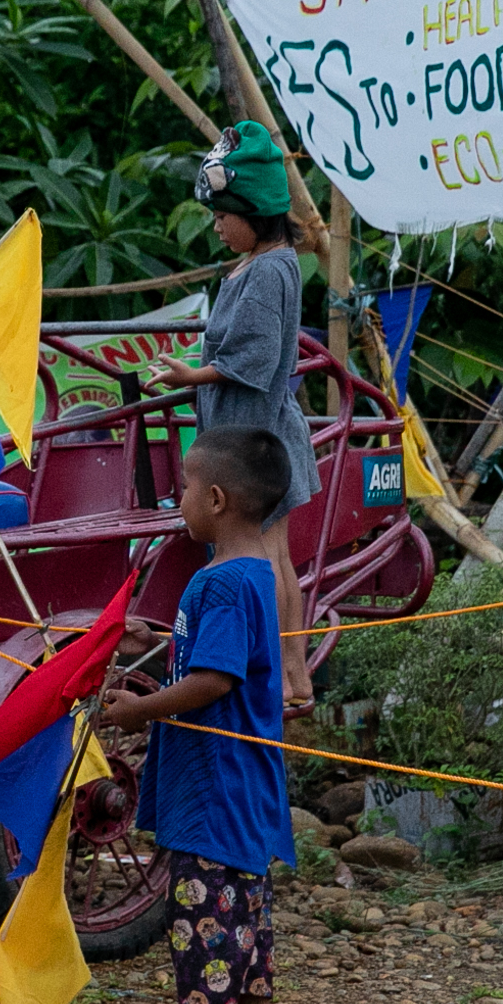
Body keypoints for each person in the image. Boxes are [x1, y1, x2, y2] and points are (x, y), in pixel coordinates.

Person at [100, 425, 298, 1004]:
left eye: (185, 484)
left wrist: (136, 710)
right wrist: (155, 638)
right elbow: (215, 652)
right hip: (242, 779)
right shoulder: (249, 575)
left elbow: (214, 680)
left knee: (205, 906)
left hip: (215, 781)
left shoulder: (223, 583)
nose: (178, 496)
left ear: (216, 499)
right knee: (244, 899)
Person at [151, 119, 318, 708]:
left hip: (259, 438)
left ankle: (286, 675)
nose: (218, 225)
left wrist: (191, 375)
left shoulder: (271, 268)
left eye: (224, 215)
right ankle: (290, 675)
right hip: (252, 433)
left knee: (269, 556)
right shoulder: (261, 264)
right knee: (275, 557)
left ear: (254, 211)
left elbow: (257, 353)